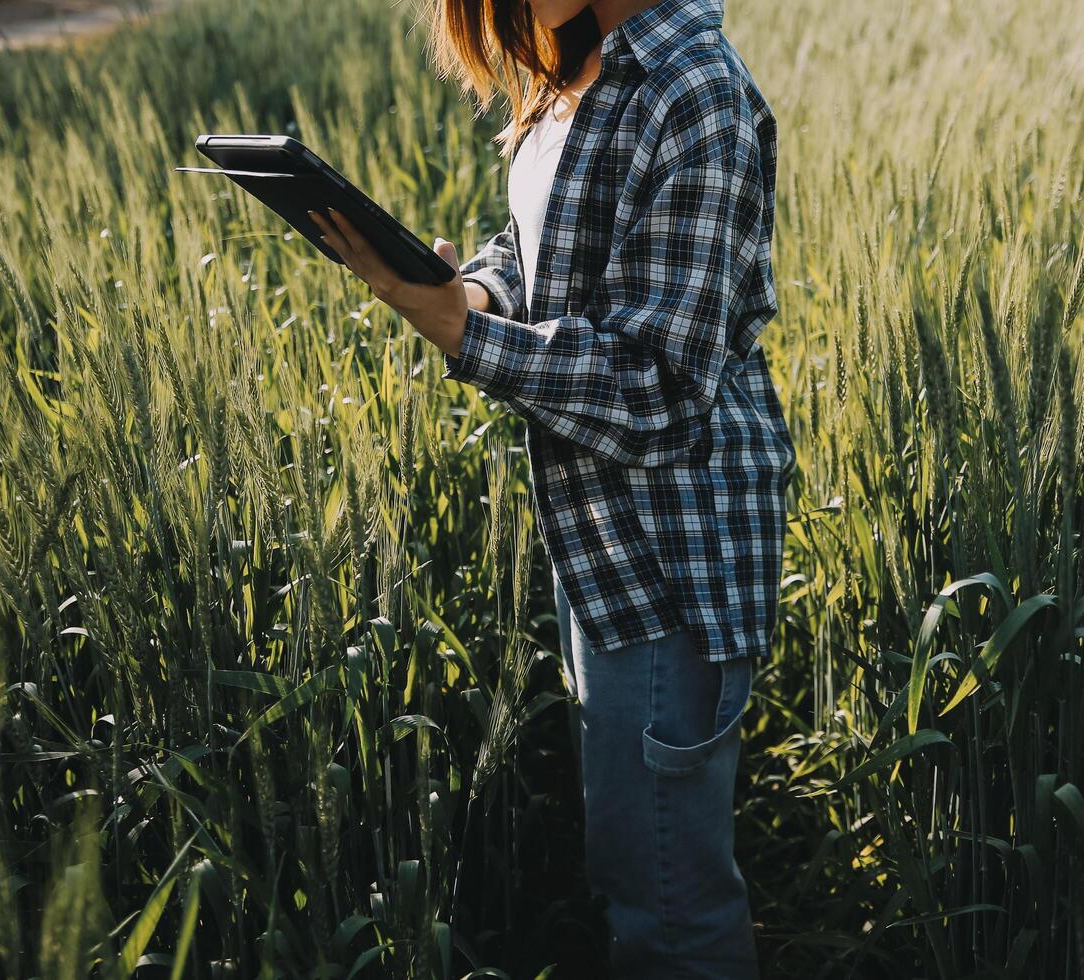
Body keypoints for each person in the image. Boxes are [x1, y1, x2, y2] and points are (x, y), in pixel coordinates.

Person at [305, 0, 793, 975]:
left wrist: (461, 336)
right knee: (630, 869)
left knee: (669, 909)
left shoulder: (694, 91)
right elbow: (541, 246)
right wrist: (475, 290)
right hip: (602, 549)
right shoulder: (580, 67)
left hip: (672, 563)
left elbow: (658, 386)